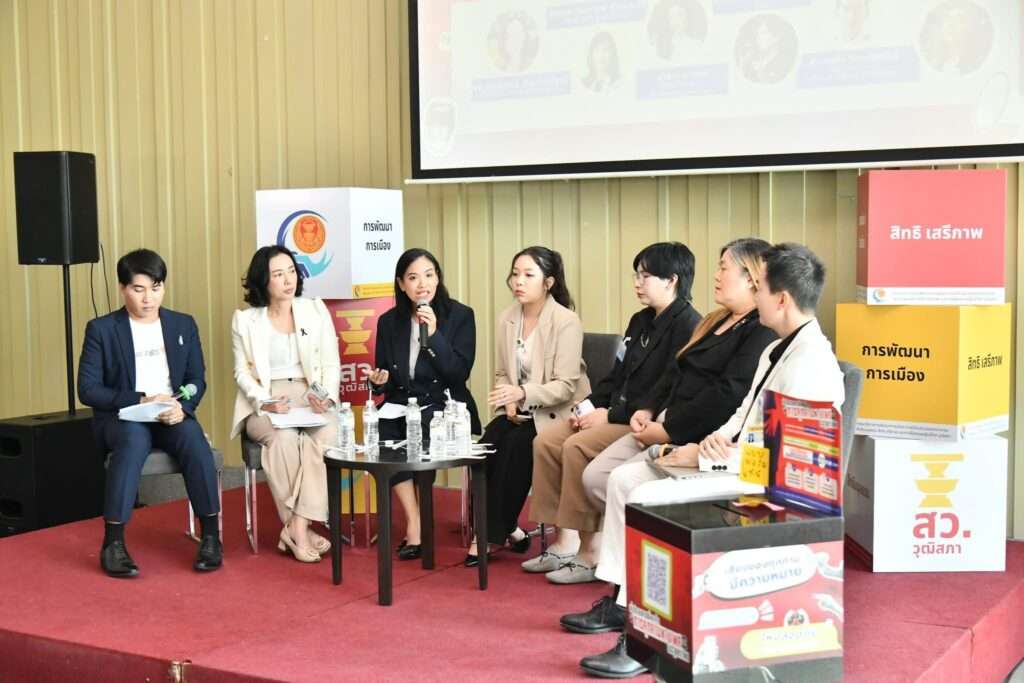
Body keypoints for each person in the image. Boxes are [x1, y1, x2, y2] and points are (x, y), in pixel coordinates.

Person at [568, 243, 846, 679]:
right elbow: (743, 414)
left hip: (765, 484)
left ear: (781, 299)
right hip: (736, 460)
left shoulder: (812, 365)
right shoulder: (776, 350)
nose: (754, 296)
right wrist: (713, 441)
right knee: (623, 481)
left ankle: (646, 637)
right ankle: (626, 605)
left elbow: (788, 463)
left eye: (760, 288)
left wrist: (706, 456)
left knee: (644, 497)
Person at [538, 238, 775, 584]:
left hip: (695, 437)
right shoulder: (712, 320)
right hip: (657, 420)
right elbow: (671, 374)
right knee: (591, 474)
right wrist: (647, 409)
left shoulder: (753, 329)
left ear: (752, 277)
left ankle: (624, 567)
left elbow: (727, 395)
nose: (716, 275)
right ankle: (612, 555)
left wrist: (663, 429)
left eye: (724, 267)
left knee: (611, 477)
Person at [525, 242, 702, 583]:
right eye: (637, 275)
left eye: (645, 276)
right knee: (546, 441)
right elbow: (615, 375)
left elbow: (664, 392)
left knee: (576, 446)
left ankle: (589, 553)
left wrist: (609, 416)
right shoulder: (640, 320)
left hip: (639, 421)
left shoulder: (689, 326)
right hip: (613, 410)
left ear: (672, 280)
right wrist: (587, 407)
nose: (637, 283)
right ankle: (564, 540)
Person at [78, 249, 222, 578]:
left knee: (193, 437)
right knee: (132, 441)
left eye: (156, 288)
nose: (148, 298)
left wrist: (182, 407)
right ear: (122, 288)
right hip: (124, 416)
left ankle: (211, 537)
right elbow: (88, 389)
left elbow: (197, 379)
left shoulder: (183, 324)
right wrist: (140, 399)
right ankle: (113, 543)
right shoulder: (102, 329)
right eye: (138, 289)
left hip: (169, 412)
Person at [466, 246, 591, 567]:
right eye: (515, 274)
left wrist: (521, 393)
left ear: (548, 282)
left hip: (557, 412)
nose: (518, 281)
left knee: (517, 448)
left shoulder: (565, 320)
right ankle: (507, 528)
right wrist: (508, 400)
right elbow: (502, 373)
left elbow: (566, 386)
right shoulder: (507, 318)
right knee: (487, 447)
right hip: (520, 409)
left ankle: (488, 536)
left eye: (528, 275)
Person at [364, 248, 480, 561]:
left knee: (425, 429)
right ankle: (414, 519)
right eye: (413, 278)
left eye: (429, 275)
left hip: (444, 403)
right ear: (402, 284)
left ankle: (420, 520)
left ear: (438, 278)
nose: (422, 284)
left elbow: (458, 373)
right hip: (402, 403)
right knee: (383, 430)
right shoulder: (389, 322)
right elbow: (387, 377)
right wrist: (378, 381)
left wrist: (435, 334)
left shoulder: (460, 315)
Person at [230, 245, 340, 563]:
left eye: (291, 271)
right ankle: (300, 531)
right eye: (278, 274)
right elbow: (241, 372)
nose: (288, 280)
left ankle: (296, 527)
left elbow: (330, 362)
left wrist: (326, 396)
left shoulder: (315, 310)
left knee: (328, 434)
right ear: (263, 281)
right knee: (284, 439)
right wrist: (265, 402)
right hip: (266, 398)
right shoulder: (245, 320)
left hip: (309, 393)